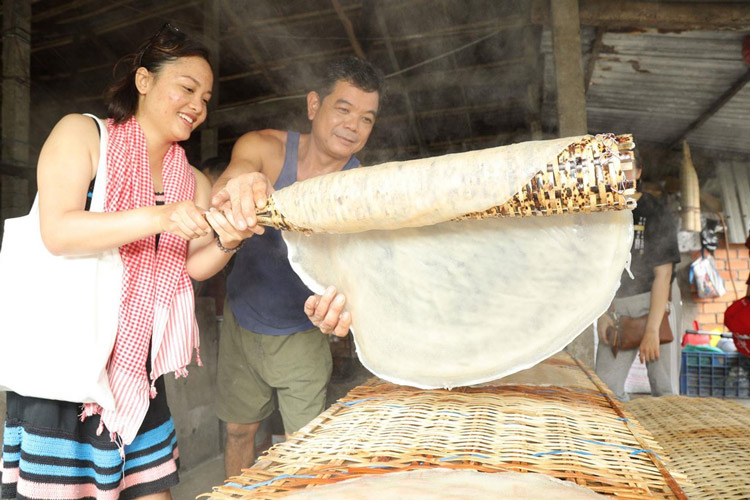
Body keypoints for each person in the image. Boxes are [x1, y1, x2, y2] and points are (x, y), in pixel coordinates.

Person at [0, 24, 249, 500]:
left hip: (138, 376)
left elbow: (189, 268)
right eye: (187, 88)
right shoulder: (84, 135)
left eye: (206, 96)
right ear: (143, 81)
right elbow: (58, 232)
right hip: (66, 373)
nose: (198, 105)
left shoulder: (191, 180)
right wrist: (161, 216)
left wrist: (230, 241)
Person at [210, 57, 385, 477]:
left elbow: (362, 270)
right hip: (243, 318)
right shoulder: (264, 149)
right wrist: (239, 187)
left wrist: (347, 309)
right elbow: (228, 184)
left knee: (301, 446)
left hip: (304, 332)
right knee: (239, 431)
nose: (353, 126)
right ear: (313, 105)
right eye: (343, 109)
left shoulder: (361, 190)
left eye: (366, 118)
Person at [595, 154, 681, 402]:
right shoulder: (604, 213)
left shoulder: (656, 213)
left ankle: (666, 440)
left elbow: (663, 276)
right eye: (614, 170)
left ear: (639, 172)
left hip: (653, 305)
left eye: (627, 168)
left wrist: (652, 330)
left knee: (664, 391)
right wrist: (602, 315)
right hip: (616, 309)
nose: (621, 175)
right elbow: (599, 271)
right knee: (605, 392)